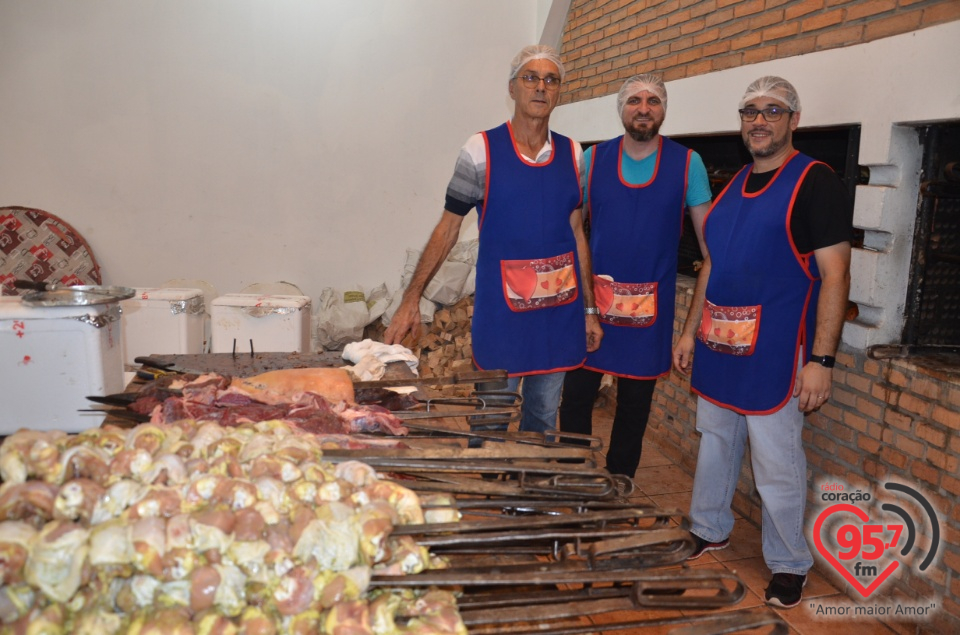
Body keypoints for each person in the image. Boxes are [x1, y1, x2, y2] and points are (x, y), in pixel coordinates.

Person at [672, 76, 853, 609]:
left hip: (777, 352)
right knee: (716, 444)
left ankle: (789, 562)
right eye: (750, 111)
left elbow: (837, 277)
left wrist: (821, 360)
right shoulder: (734, 184)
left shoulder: (816, 183)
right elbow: (712, 265)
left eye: (773, 110)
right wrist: (688, 329)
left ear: (794, 120)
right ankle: (709, 527)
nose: (759, 120)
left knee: (776, 462)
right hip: (719, 345)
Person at [384, 44, 603, 439]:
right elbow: (449, 227)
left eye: (550, 80)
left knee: (541, 419)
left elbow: (576, 231)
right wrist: (411, 298)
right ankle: (487, 492)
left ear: (559, 91)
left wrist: (589, 309)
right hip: (504, 318)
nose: (540, 87)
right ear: (513, 88)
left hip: (557, 316)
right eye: (530, 78)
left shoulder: (574, 154)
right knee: (491, 419)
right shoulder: (480, 150)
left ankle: (529, 498)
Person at [558, 74, 711, 478]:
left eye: (654, 100)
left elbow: (711, 248)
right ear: (621, 109)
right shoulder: (593, 160)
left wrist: (691, 329)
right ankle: (574, 479)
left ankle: (619, 482)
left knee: (635, 405)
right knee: (575, 398)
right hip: (594, 308)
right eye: (634, 101)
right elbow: (572, 233)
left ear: (664, 109)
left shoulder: (687, 163)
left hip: (650, 318)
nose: (644, 108)